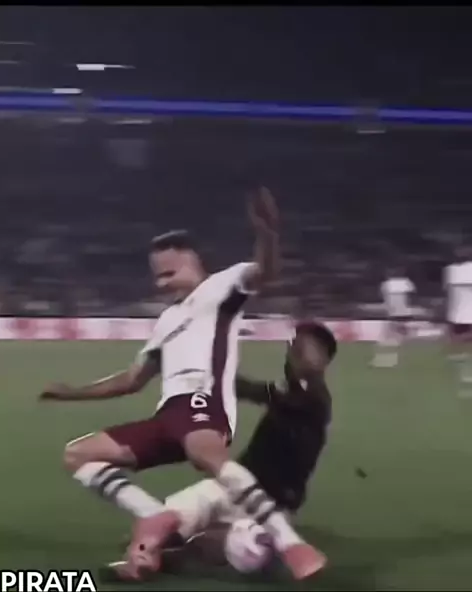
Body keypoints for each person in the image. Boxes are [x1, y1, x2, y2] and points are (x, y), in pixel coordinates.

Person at [40, 189, 324, 581]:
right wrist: (71, 392)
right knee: (79, 455)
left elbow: (266, 271)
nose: (161, 284)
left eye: (168, 273)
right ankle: (155, 518)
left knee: (207, 456)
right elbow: (132, 380)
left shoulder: (222, 287)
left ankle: (290, 543)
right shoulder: (167, 320)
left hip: (202, 402)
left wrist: (268, 234)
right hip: (167, 415)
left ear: (191, 260)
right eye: (157, 276)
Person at [107, 320, 335, 577]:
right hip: (233, 485)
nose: (294, 351)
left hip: (271, 504)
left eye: (303, 347)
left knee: (248, 551)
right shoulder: (289, 390)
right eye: (294, 345)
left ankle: (174, 553)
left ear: (323, 359)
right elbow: (248, 389)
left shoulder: (315, 399)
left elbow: (262, 392)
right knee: (167, 517)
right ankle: (143, 555)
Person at [372, 268, 415, 368]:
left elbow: (382, 297)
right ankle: (396, 359)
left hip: (393, 314)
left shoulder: (386, 284)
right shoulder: (406, 282)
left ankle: (384, 360)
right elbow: (411, 297)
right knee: (398, 337)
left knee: (388, 337)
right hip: (405, 313)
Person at [444, 246, 472, 386]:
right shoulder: (451, 270)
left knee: (458, 343)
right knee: (462, 343)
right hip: (463, 312)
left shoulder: (450, 270)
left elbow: (446, 290)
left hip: (456, 312)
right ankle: (464, 373)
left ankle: (461, 371)